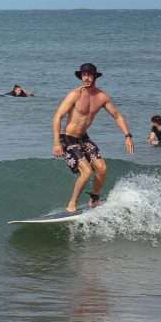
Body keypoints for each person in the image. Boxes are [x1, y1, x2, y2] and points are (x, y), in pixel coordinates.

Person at [52, 63, 134, 213]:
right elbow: (57, 116)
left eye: (89, 75)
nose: (86, 78)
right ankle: (72, 203)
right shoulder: (75, 94)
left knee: (102, 168)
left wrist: (127, 136)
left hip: (83, 138)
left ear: (95, 76)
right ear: (81, 76)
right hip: (68, 138)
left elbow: (117, 116)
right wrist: (57, 143)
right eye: (84, 75)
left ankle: (94, 199)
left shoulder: (102, 97)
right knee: (87, 172)